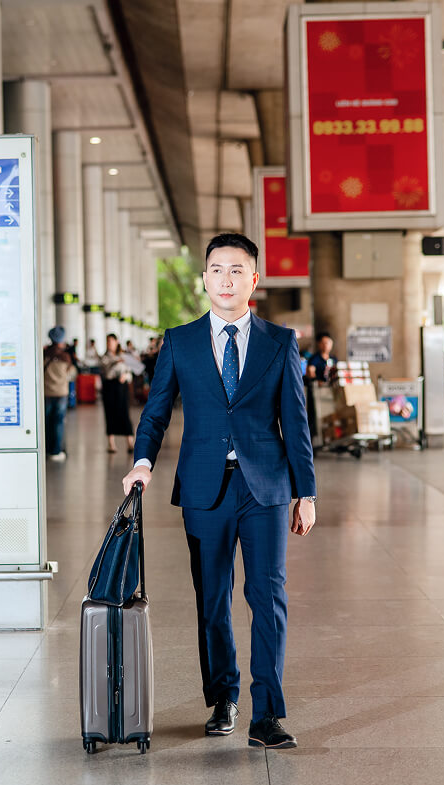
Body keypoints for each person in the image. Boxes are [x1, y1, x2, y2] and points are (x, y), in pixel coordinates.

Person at [122, 232, 316, 750]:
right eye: (217, 270)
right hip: (204, 489)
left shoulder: (280, 341)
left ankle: (267, 714)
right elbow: (157, 410)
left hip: (266, 489)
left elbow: (295, 423)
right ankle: (223, 697)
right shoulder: (180, 341)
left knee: (267, 596)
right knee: (212, 600)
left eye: (237, 270)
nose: (226, 279)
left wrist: (306, 492)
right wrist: (143, 462)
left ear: (254, 279)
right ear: (203, 278)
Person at [43, 326, 76, 462]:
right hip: (61, 393)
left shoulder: (44, 354)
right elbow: (71, 374)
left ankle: (46, 449)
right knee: (58, 422)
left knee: (46, 422)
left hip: (46, 394)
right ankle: (56, 451)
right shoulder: (65, 356)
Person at [99, 333, 135, 454]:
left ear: (116, 342)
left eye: (111, 341)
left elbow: (131, 371)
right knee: (110, 413)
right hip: (109, 387)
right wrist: (116, 362)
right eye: (107, 341)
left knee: (124, 412)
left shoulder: (124, 355)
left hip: (122, 387)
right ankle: (111, 444)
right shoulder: (105, 357)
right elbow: (106, 373)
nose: (109, 343)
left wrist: (126, 375)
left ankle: (130, 442)